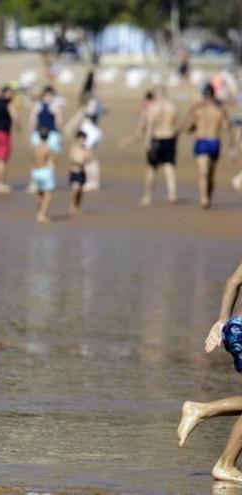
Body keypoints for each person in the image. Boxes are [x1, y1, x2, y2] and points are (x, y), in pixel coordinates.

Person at [178, 261, 242, 482]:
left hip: (236, 327)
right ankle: (225, 464)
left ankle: (202, 410)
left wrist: (223, 321)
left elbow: (233, 281)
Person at [120, 88, 178, 205]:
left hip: (156, 138)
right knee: (168, 167)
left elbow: (149, 127)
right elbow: (176, 126)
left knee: (151, 169)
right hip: (169, 138)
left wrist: (147, 143)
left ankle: (147, 197)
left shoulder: (152, 108)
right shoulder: (172, 107)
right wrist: (174, 140)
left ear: (157, 95)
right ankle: (172, 194)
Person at [183, 83, 230, 209]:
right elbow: (227, 127)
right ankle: (204, 198)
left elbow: (188, 128)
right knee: (207, 172)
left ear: (203, 94)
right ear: (213, 94)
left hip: (204, 141)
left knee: (205, 173)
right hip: (213, 142)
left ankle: (206, 197)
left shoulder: (198, 108)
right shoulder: (219, 109)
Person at [64, 95, 104, 191]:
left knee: (88, 158)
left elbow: (76, 119)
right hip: (95, 133)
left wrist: (68, 128)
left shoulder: (88, 110)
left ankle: (91, 182)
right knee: (92, 158)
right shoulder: (97, 107)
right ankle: (93, 181)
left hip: (90, 134)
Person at [30, 127, 55, 223]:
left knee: (39, 193)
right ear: (48, 137)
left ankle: (40, 211)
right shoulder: (48, 148)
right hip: (45, 171)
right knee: (48, 194)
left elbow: (33, 160)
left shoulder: (36, 148)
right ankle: (42, 214)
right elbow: (51, 161)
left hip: (36, 171)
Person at [29, 86, 64, 154]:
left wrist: (60, 134)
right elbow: (32, 121)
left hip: (50, 132)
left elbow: (59, 122)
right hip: (42, 132)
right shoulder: (39, 106)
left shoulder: (53, 107)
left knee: (44, 153)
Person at [67, 130, 93, 215]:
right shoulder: (73, 148)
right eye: (81, 139)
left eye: (84, 139)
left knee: (80, 191)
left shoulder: (86, 149)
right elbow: (71, 159)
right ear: (77, 139)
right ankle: (72, 206)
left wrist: (87, 156)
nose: (83, 141)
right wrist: (79, 162)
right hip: (74, 171)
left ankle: (77, 207)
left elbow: (89, 159)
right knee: (75, 189)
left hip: (82, 172)